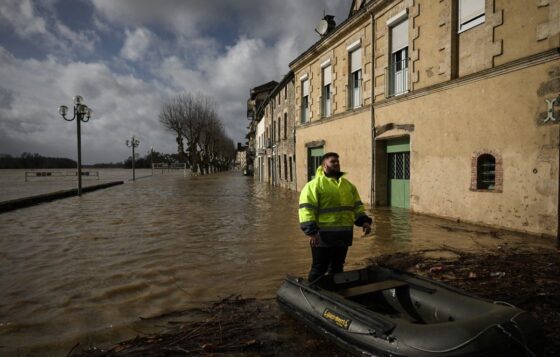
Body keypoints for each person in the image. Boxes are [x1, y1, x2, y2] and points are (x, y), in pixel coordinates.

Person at [299, 152, 373, 283]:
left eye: (338, 161)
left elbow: (356, 207)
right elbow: (306, 210)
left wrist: (364, 222)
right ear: (323, 165)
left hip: (343, 235)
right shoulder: (313, 185)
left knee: (337, 267)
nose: (337, 164)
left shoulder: (348, 186)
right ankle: (313, 291)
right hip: (322, 236)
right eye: (333, 161)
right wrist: (311, 232)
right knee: (319, 268)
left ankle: (335, 292)